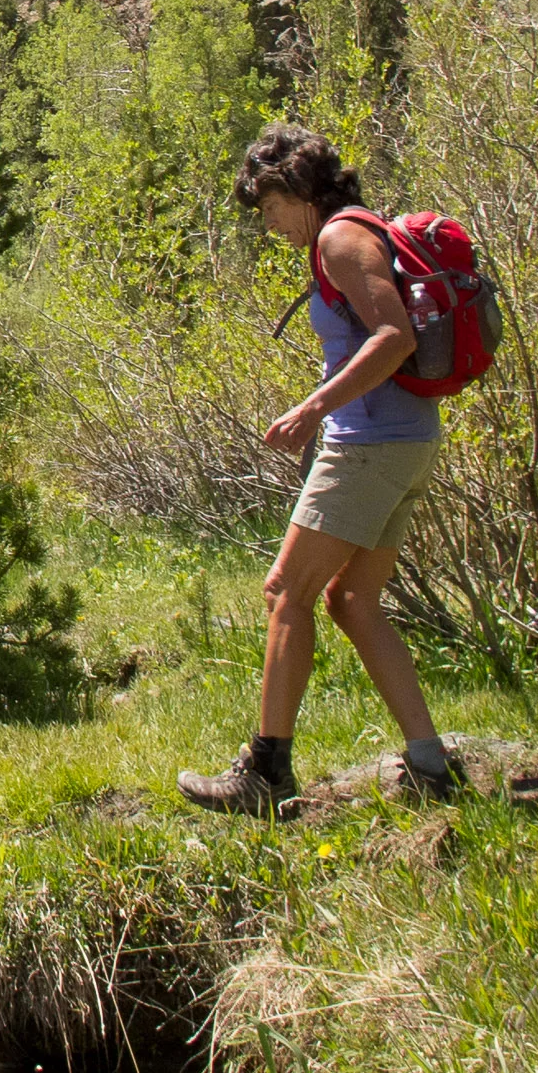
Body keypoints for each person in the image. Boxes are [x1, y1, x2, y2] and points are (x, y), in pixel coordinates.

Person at [179, 125, 462, 816]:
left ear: (298, 190)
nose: (269, 224)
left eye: (271, 207)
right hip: (404, 441)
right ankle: (430, 764)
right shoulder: (355, 231)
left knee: (286, 591)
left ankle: (266, 773)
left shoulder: (340, 239)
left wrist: (313, 409)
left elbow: (394, 337)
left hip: (369, 444)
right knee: (352, 599)